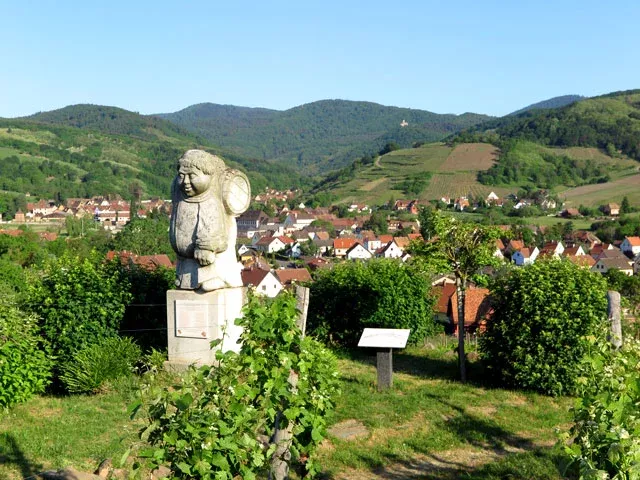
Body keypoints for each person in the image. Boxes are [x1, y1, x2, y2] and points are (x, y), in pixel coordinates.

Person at [169, 150, 248, 291]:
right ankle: (184, 279)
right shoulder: (179, 193)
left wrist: (207, 246)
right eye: (182, 176)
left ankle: (220, 278)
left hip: (210, 261)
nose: (185, 182)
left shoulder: (211, 200)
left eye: (192, 176)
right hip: (184, 261)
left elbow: (217, 233)